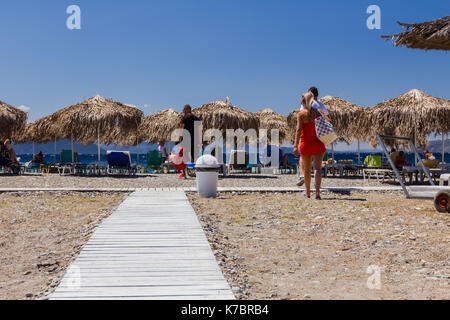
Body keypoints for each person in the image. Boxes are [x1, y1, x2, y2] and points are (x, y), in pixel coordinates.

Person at [294, 92, 326, 200]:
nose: (301, 103)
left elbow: (298, 130)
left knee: (307, 170)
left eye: (302, 101)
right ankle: (317, 193)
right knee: (317, 169)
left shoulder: (301, 114)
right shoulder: (318, 113)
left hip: (306, 144)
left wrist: (295, 146)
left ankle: (307, 193)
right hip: (318, 143)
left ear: (304, 101)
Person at [180, 104, 201, 178]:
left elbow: (182, 128)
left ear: (188, 109)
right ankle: (197, 172)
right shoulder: (196, 118)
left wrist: (180, 137)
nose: (184, 111)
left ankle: (184, 173)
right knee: (194, 156)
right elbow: (199, 129)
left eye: (184, 109)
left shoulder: (184, 118)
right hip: (194, 140)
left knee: (184, 156)